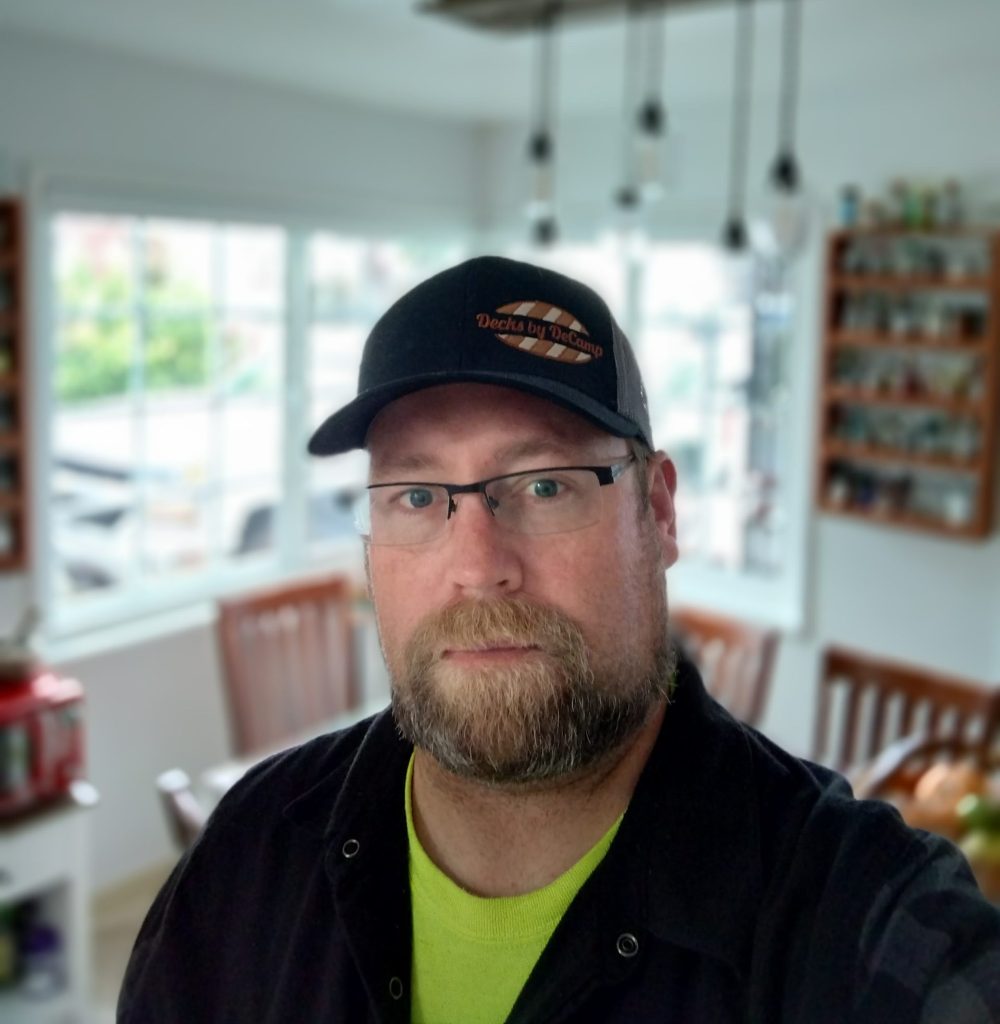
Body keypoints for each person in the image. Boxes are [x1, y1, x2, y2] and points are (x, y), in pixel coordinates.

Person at [119, 256, 1000, 1024]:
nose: (478, 565)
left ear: (657, 511)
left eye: (544, 485)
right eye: (417, 495)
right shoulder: (253, 850)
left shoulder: (858, 920)